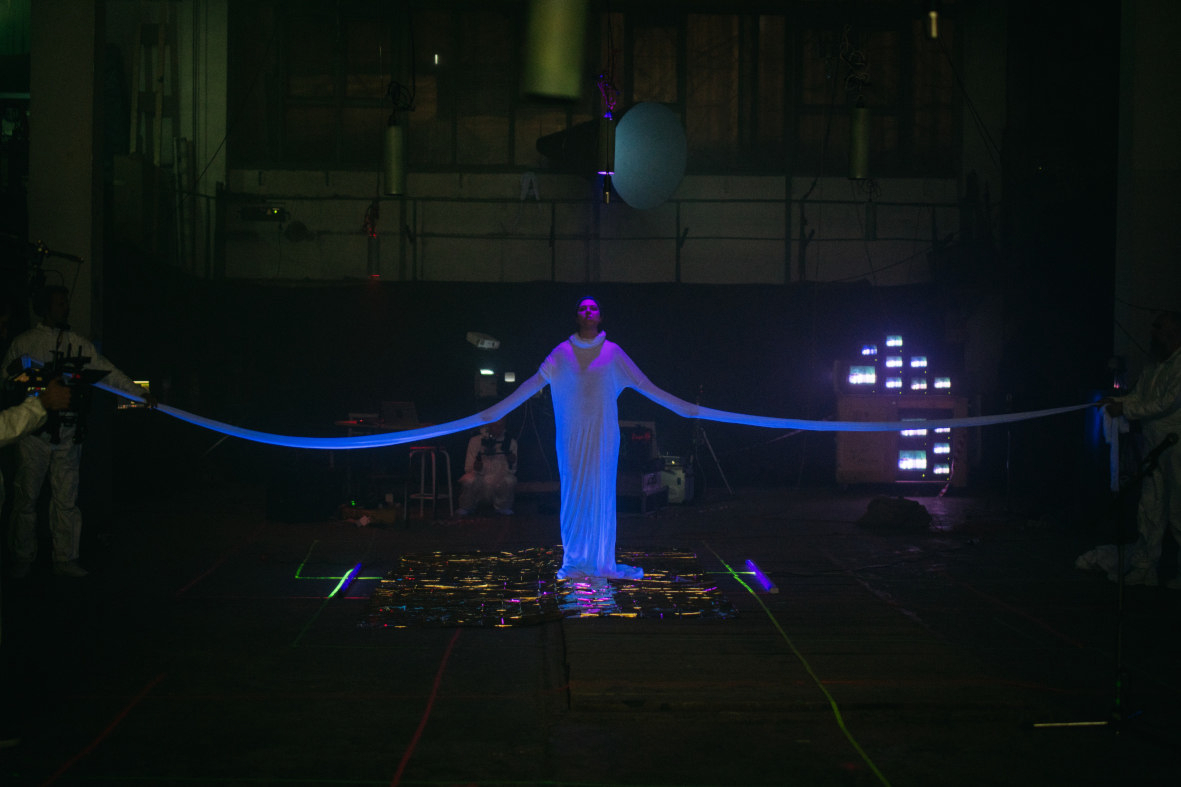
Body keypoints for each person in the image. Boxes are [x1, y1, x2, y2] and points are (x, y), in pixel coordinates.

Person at [2, 286, 156, 579]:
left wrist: (139, 393)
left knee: (66, 499)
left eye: (66, 303)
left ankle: (65, 558)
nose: (66, 308)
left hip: (69, 433)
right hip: (34, 434)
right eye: (60, 304)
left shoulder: (78, 344)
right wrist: (30, 383)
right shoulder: (25, 342)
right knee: (26, 498)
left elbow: (108, 372)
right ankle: (22, 558)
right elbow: (6, 377)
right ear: (45, 307)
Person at [539, 297, 660, 580]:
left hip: (603, 435)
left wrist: (690, 410)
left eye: (593, 308)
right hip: (571, 437)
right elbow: (534, 382)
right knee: (573, 495)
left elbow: (646, 386)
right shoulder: (561, 353)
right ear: (576, 316)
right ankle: (575, 559)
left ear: (600, 316)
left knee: (601, 494)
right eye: (582, 308)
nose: (588, 311)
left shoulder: (612, 352)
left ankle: (601, 559)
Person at [1096, 310, 1181, 588]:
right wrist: (1116, 401)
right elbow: (1140, 396)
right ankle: (1145, 568)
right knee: (1150, 507)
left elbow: (1165, 403)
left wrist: (1126, 409)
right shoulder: (1154, 366)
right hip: (1154, 446)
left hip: (1176, 447)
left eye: (1159, 328)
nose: (1153, 333)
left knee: (1178, 509)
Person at [456, 418, 518, 516]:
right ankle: (466, 506)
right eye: (495, 426)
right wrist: (477, 467)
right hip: (480, 481)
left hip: (499, 480)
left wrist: (511, 461)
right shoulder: (475, 441)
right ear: (488, 426)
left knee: (510, 480)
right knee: (469, 480)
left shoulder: (510, 442)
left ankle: (503, 507)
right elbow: (468, 468)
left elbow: (512, 470)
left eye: (500, 426)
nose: (498, 429)